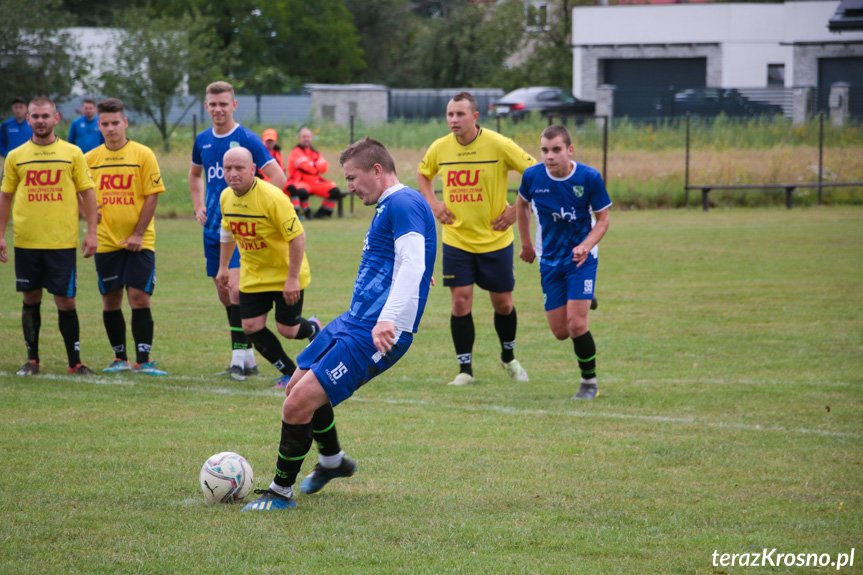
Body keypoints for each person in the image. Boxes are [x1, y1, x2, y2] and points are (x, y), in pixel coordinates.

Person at [241, 137, 437, 511]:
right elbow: (413, 260)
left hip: (375, 330)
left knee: (297, 405)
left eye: (352, 177)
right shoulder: (392, 205)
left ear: (377, 170)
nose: (348, 187)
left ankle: (280, 492)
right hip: (354, 320)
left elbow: (413, 263)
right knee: (295, 389)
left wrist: (388, 319)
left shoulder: (403, 201)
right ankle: (332, 460)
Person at [417, 91, 535, 387]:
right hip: (456, 239)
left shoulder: (499, 144)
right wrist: (434, 204)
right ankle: (465, 370)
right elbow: (423, 175)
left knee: (503, 304)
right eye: (450, 114)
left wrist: (516, 209)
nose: (453, 120)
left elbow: (535, 173)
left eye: (459, 114)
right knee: (460, 303)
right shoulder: (440, 148)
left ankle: (508, 358)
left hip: (495, 240)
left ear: (475, 117)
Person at [189, 81, 288, 381]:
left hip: (241, 233)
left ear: (234, 106)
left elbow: (278, 178)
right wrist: (198, 205)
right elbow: (195, 175)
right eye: (212, 104)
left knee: (235, 291)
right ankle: (246, 359)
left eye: (223, 104)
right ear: (206, 106)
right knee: (224, 293)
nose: (218, 109)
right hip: (213, 230)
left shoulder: (246, 138)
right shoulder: (203, 140)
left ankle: (237, 362)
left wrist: (258, 212)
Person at [0, 97, 99, 376]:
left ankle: (75, 362)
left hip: (62, 242)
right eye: (35, 116)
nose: (40, 121)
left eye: (46, 116)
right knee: (30, 298)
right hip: (27, 241)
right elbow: (5, 197)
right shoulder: (16, 156)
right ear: (28, 119)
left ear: (56, 119)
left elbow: (88, 194)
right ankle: (32, 360)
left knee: (66, 301)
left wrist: (92, 232)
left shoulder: (72, 153)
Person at [515, 125, 611, 400]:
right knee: (560, 332)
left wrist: (586, 245)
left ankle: (589, 382)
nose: (549, 156)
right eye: (544, 150)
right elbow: (521, 205)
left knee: (577, 325)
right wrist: (526, 244)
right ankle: (582, 297)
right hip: (549, 260)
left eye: (556, 149)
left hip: (581, 259)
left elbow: (603, 220)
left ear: (569, 150)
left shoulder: (588, 177)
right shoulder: (532, 176)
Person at [216, 147, 321, 386]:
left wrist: (292, 279)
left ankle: (313, 328)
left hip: (285, 274)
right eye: (228, 168)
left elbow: (298, 237)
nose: (233, 173)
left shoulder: (273, 197)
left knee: (288, 329)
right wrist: (224, 266)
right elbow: (227, 231)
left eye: (239, 168)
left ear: (253, 169)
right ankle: (290, 374)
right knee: (251, 326)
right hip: (254, 274)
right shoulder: (226, 197)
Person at [85, 97, 168, 376]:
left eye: (115, 123)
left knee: (139, 298)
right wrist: (88, 214)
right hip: (106, 242)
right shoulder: (90, 159)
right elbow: (80, 193)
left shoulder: (143, 154)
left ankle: (143, 360)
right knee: (111, 300)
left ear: (125, 123)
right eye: (105, 124)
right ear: (99, 125)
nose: (110, 129)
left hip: (139, 242)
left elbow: (152, 196)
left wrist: (138, 234)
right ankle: (119, 358)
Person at [286, 127, 342, 219]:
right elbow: (305, 166)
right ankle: (305, 213)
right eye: (304, 137)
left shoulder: (315, 152)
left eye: (308, 136)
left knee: (334, 190)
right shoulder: (295, 152)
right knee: (301, 191)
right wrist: (316, 165)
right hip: (301, 182)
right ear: (299, 138)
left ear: (311, 138)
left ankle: (321, 214)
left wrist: (312, 165)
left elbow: (324, 167)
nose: (306, 139)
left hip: (316, 182)